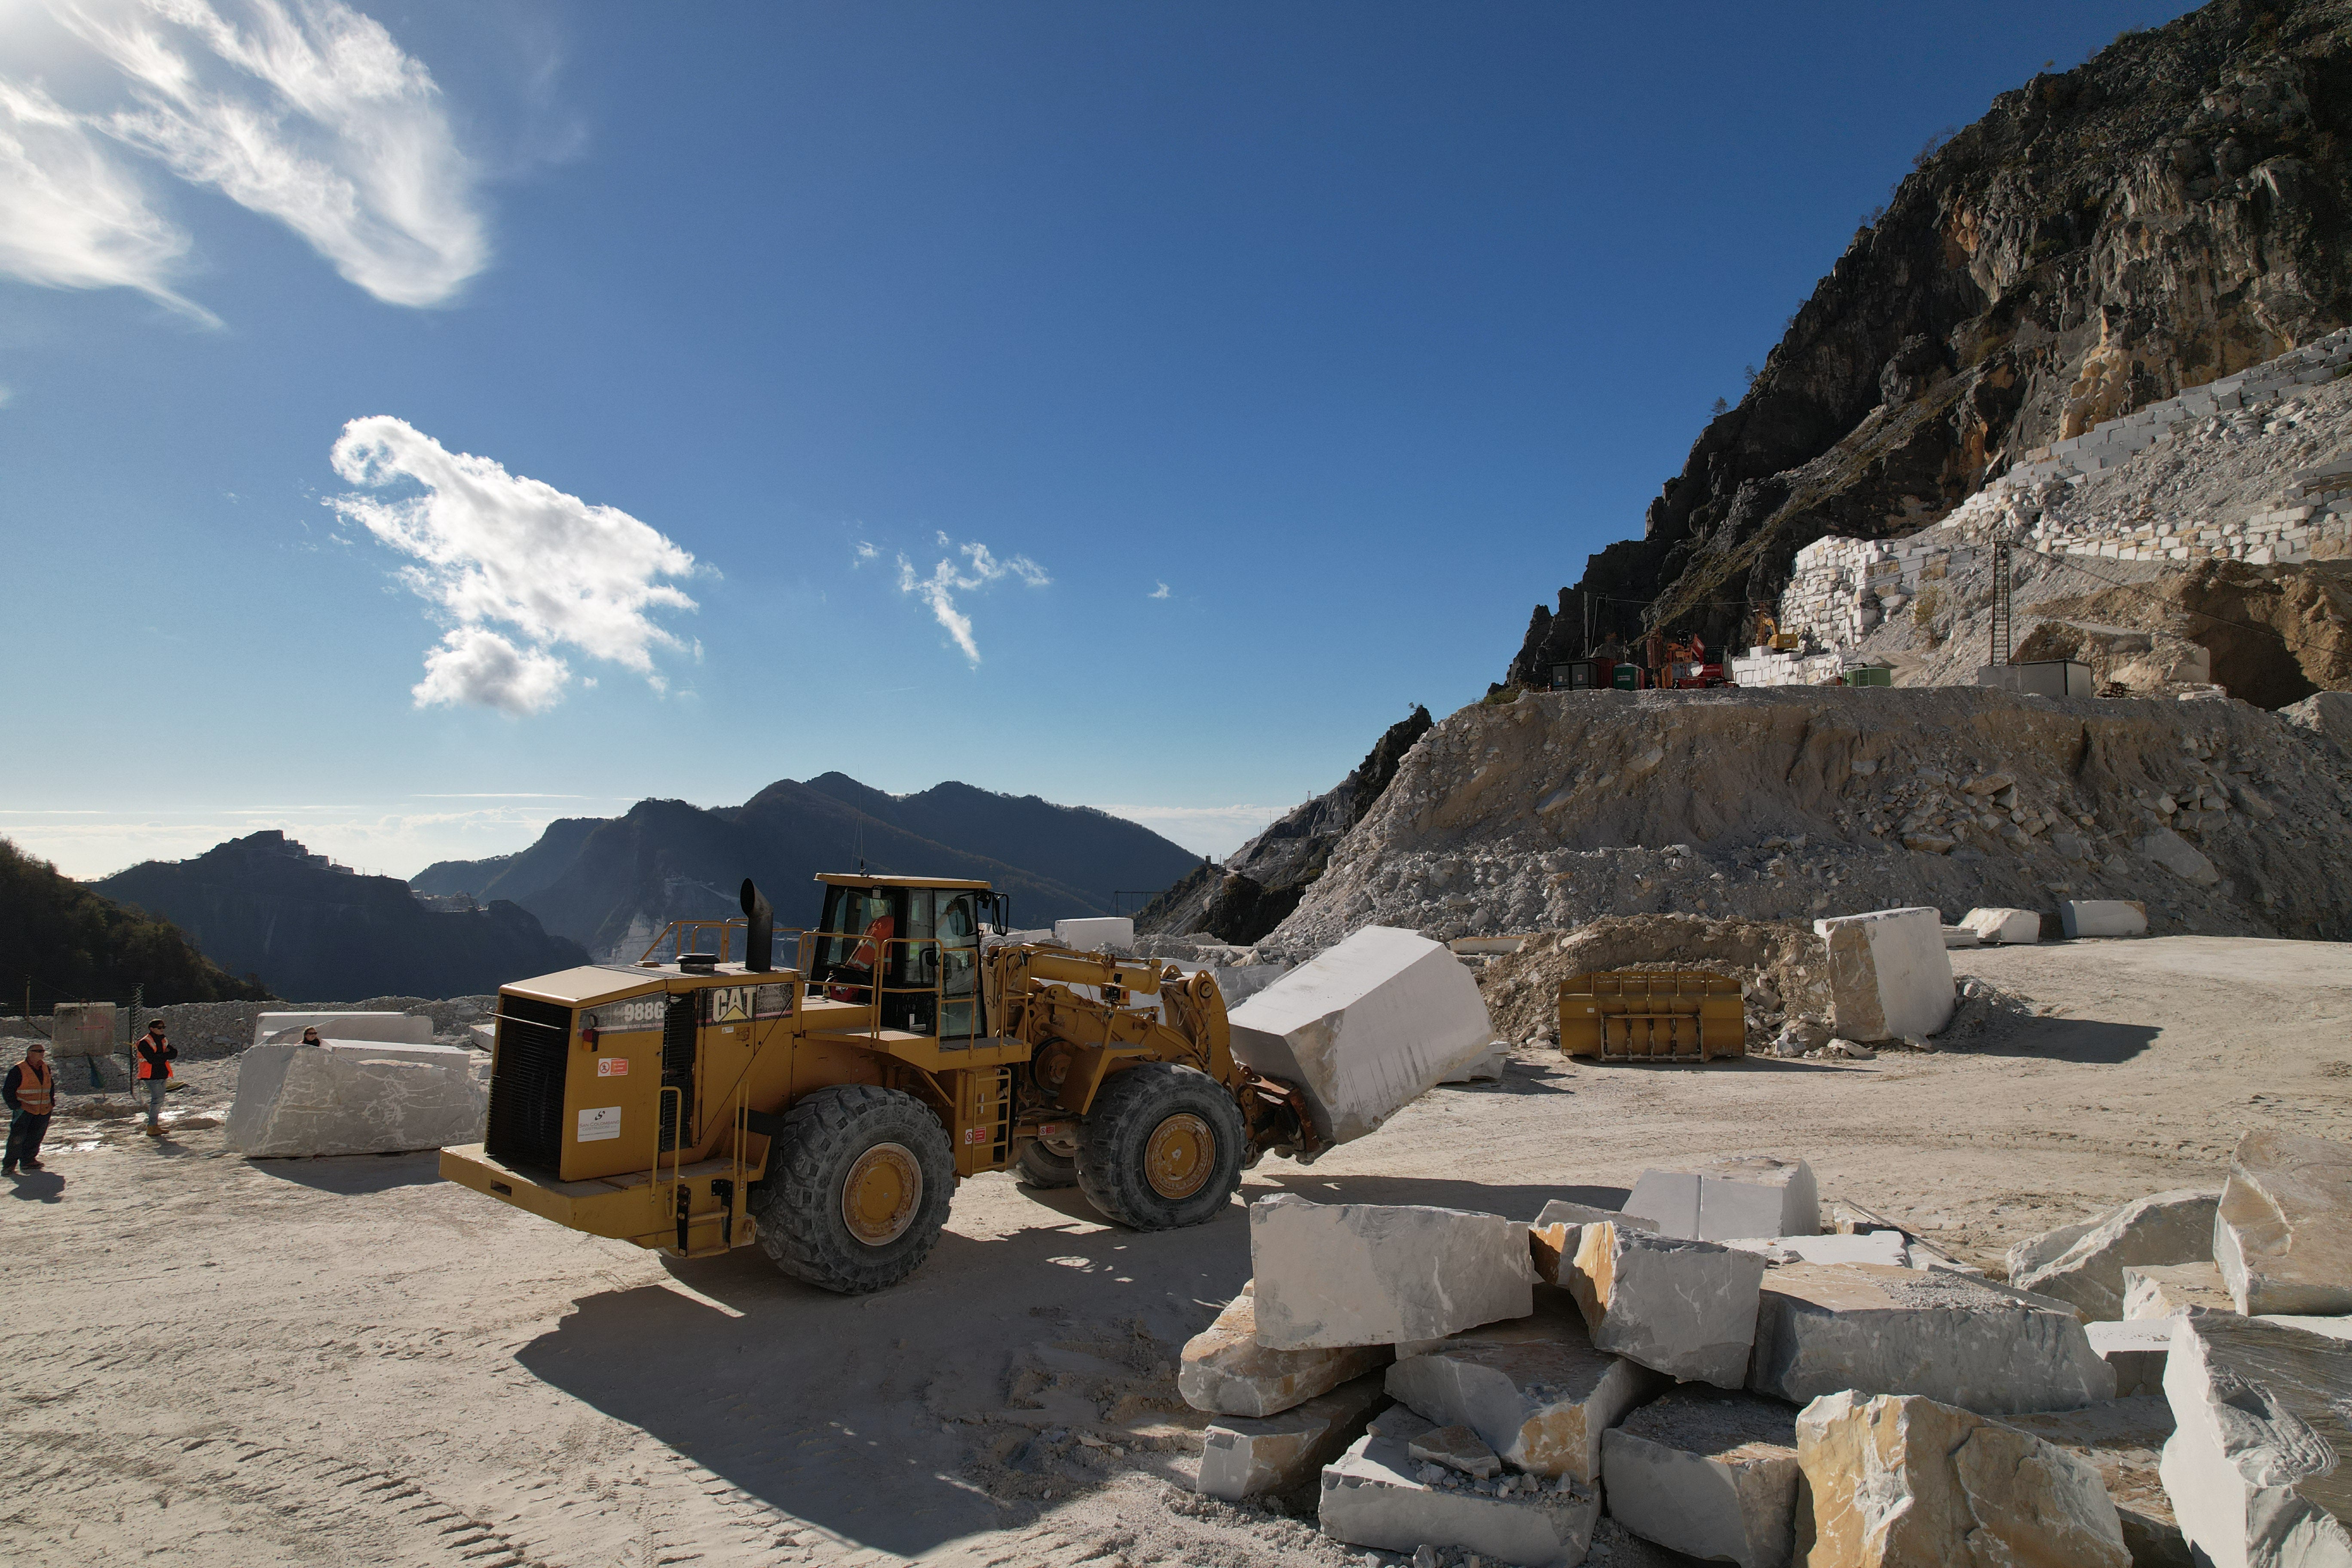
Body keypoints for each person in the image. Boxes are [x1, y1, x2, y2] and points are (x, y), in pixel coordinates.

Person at [3, 1040, 53, 1175]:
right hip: (25, 1110)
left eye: (43, 1051)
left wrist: (51, 1103)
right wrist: (16, 1107)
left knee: (36, 1136)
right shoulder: (19, 1069)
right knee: (17, 1137)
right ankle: (9, 1165)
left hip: (43, 1109)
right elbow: (8, 1090)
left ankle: (28, 1161)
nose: (42, 1053)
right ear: (29, 1054)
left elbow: (50, 1087)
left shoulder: (45, 1068)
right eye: (38, 1051)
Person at [135, 1018, 176, 1137]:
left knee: (159, 1100)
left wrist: (162, 1056)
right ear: (152, 1029)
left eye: (163, 1027)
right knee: (157, 1101)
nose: (162, 1030)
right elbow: (152, 1059)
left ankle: (154, 1126)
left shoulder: (163, 1040)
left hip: (162, 1074)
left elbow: (174, 1053)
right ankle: (152, 1126)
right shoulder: (144, 1042)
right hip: (151, 1075)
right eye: (159, 1028)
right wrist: (165, 1055)